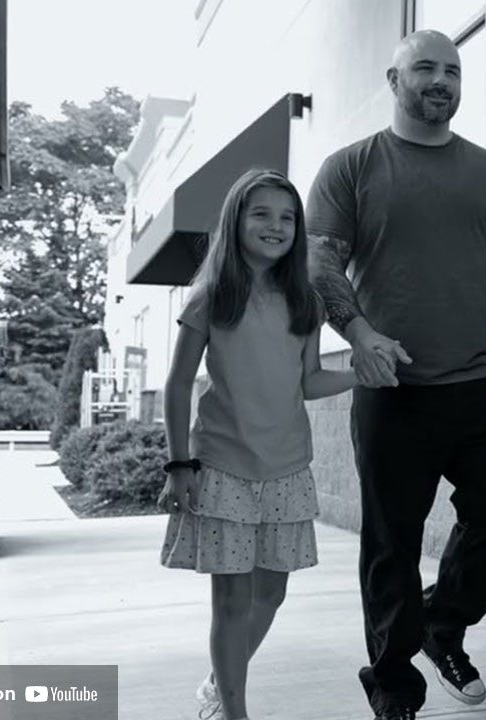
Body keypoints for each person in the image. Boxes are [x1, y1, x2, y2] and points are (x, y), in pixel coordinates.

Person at [306, 29, 486, 720]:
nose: (440, 80)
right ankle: (394, 682)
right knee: (391, 541)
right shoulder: (351, 167)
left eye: (451, 70)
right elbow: (320, 262)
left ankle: (442, 621)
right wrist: (358, 333)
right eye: (424, 68)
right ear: (394, 83)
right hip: (392, 389)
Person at [157, 169, 358, 720]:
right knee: (231, 601)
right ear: (236, 221)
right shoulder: (211, 296)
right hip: (222, 466)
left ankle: (220, 684)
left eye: (288, 217)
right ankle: (234, 710)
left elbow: (310, 381)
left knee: (271, 596)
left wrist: (360, 373)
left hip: (288, 469)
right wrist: (178, 465)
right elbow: (177, 384)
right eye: (262, 214)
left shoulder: (305, 302)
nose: (276, 225)